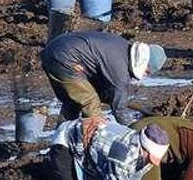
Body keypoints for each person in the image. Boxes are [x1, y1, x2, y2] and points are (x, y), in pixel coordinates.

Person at [40, 31, 168, 125]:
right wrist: (135, 129)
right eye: (147, 71)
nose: (145, 75)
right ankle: (91, 142)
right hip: (65, 59)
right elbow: (120, 111)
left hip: (53, 50)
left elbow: (109, 93)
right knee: (91, 101)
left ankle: (61, 141)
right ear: (144, 63)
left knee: (73, 102)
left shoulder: (122, 47)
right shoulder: (119, 72)